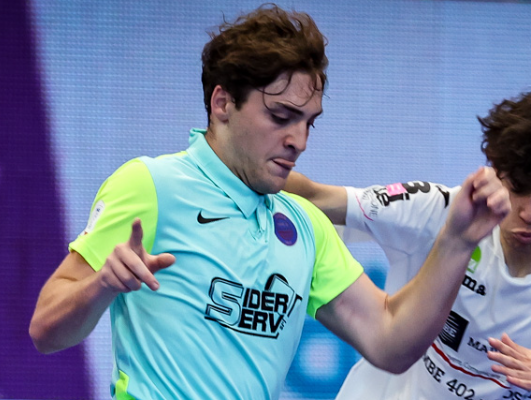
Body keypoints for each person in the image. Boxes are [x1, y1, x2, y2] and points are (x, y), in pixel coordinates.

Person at [29, 4, 510, 399]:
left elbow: (390, 340)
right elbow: (45, 331)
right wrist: (102, 285)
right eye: (281, 116)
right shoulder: (150, 185)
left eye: (309, 122)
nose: (299, 140)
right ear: (222, 103)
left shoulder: (305, 224)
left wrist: (457, 239)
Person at [284, 91, 531, 399]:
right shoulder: (443, 208)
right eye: (518, 188)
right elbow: (313, 197)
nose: (528, 213)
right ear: (496, 169)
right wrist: (233, 163)